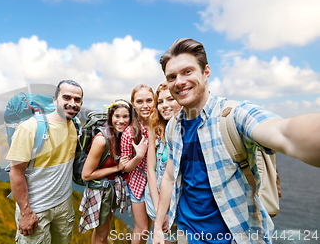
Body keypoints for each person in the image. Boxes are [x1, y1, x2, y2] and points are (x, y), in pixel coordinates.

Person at [153, 38, 320, 244]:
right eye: (172, 77)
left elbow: (284, 131)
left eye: (187, 71)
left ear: (206, 72)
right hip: (186, 234)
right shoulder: (173, 126)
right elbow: (170, 176)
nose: (178, 82)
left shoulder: (234, 115)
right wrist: (158, 226)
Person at [7, 80, 83, 244]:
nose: (72, 103)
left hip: (64, 206)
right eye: (67, 97)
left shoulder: (75, 126)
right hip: (37, 210)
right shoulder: (30, 128)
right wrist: (26, 213)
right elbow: (16, 172)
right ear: (55, 99)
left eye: (77, 100)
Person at [79, 99, 132, 243]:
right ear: (110, 117)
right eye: (117, 116)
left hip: (109, 191)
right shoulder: (101, 140)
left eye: (125, 116)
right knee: (102, 235)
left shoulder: (121, 135)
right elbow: (86, 175)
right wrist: (117, 168)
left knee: (102, 231)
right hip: (100, 192)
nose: (121, 121)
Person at [145, 81, 181, 244]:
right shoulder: (155, 129)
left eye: (170, 99)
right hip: (157, 197)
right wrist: (161, 210)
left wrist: (171, 211)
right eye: (160, 101)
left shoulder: (187, 131)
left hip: (179, 203)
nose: (164, 105)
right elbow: (151, 170)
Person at [121, 83, 152, 244]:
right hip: (138, 184)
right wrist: (138, 156)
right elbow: (125, 167)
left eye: (149, 100)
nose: (145, 105)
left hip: (157, 183)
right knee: (142, 228)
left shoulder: (161, 126)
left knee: (154, 226)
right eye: (140, 102)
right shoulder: (129, 132)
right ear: (133, 105)